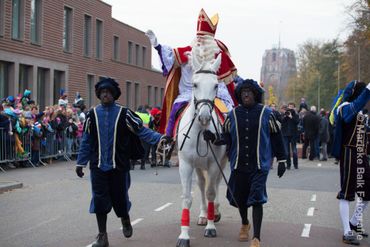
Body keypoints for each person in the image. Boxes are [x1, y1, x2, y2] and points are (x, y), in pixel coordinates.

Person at [76, 78, 171, 247]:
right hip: (97, 166)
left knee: (120, 199)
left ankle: (125, 218)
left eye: (108, 92)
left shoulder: (125, 113)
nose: (105, 94)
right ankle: (102, 236)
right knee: (99, 200)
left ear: (114, 94)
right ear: (98, 94)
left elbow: (142, 131)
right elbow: (86, 140)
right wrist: (80, 162)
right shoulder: (92, 115)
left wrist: (160, 138)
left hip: (119, 165)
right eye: (102, 92)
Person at [203, 79, 287, 247]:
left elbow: (277, 136)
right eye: (243, 92)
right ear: (240, 96)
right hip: (238, 164)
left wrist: (282, 159)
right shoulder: (232, 115)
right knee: (241, 199)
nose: (246, 94)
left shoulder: (266, 113)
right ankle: (244, 223)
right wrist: (213, 138)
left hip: (259, 165)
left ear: (255, 94)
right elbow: (227, 138)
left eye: (249, 92)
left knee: (256, 198)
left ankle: (256, 237)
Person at [145, 8, 237, 137]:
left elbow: (228, 83)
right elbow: (169, 58)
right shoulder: (186, 52)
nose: (200, 42)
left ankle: (231, 144)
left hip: (215, 94)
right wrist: (157, 46)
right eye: (198, 38)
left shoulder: (219, 57)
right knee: (175, 110)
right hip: (188, 92)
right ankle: (168, 140)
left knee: (230, 113)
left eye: (203, 39)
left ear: (211, 41)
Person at [331, 81, 370, 245]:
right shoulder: (345, 107)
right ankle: (347, 231)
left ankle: (354, 222)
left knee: (367, 191)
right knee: (346, 193)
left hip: (361, 153)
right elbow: (353, 110)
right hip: (348, 152)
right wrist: (368, 90)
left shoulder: (362, 111)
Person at [281, 102, 299, 169]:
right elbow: (281, 121)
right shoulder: (284, 114)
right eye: (289, 106)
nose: (290, 107)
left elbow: (297, 122)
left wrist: (291, 117)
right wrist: (286, 116)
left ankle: (295, 164)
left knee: (294, 151)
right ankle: (288, 165)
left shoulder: (295, 115)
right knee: (286, 152)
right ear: (288, 107)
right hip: (285, 135)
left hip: (293, 135)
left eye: (292, 106)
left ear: (294, 107)